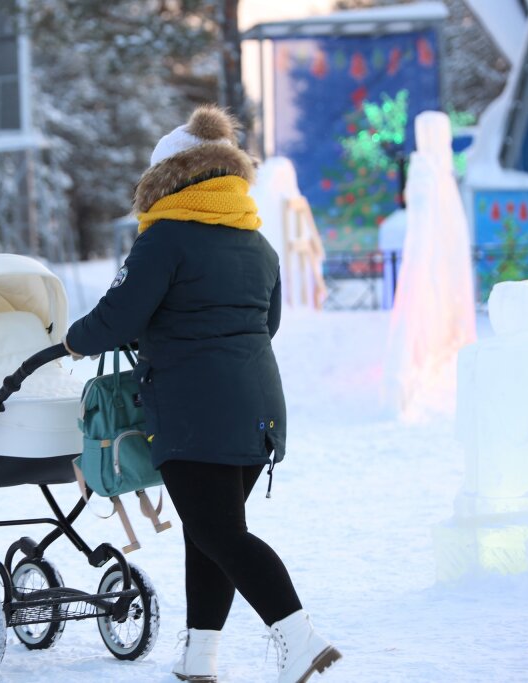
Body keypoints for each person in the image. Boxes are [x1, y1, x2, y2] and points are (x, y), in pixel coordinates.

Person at [63, 105, 341, 683]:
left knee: (220, 534)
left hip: (193, 411)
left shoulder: (164, 240)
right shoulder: (256, 244)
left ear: (167, 179)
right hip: (258, 407)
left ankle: (298, 637)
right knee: (210, 534)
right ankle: (199, 659)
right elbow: (269, 324)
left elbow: (115, 319)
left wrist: (72, 340)